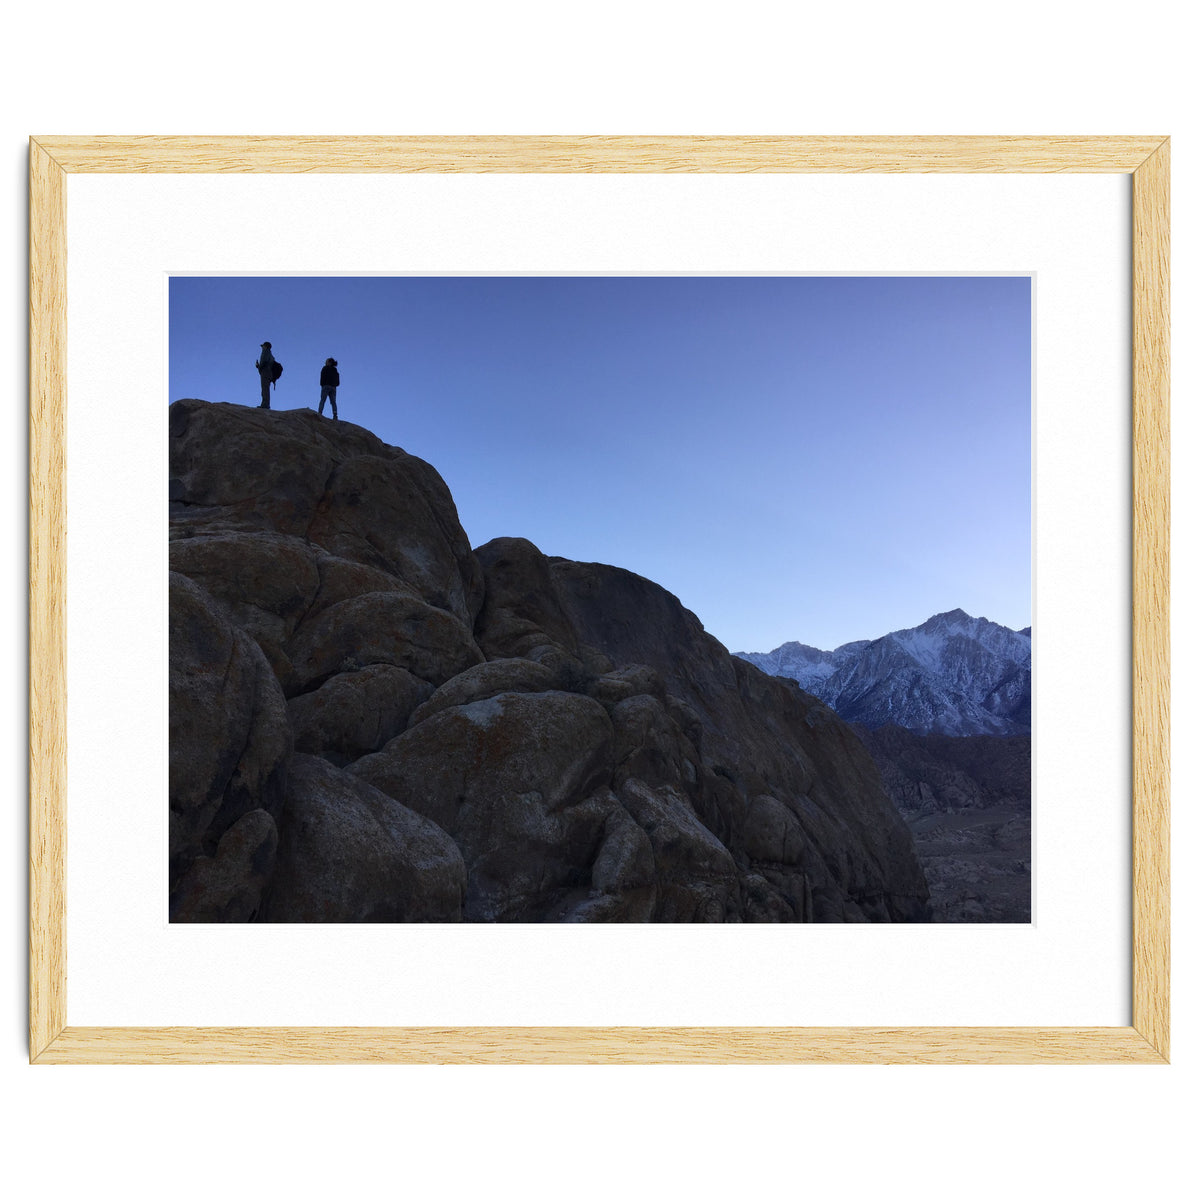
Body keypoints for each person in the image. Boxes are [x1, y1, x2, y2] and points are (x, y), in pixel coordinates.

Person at [255, 341, 276, 408]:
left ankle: (265, 405)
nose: (262, 347)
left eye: (263, 346)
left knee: (265, 389)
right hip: (269, 373)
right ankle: (265, 404)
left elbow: (264, 361)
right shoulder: (271, 355)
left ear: (265, 346)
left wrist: (259, 367)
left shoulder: (266, 352)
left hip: (265, 372)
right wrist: (259, 366)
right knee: (265, 388)